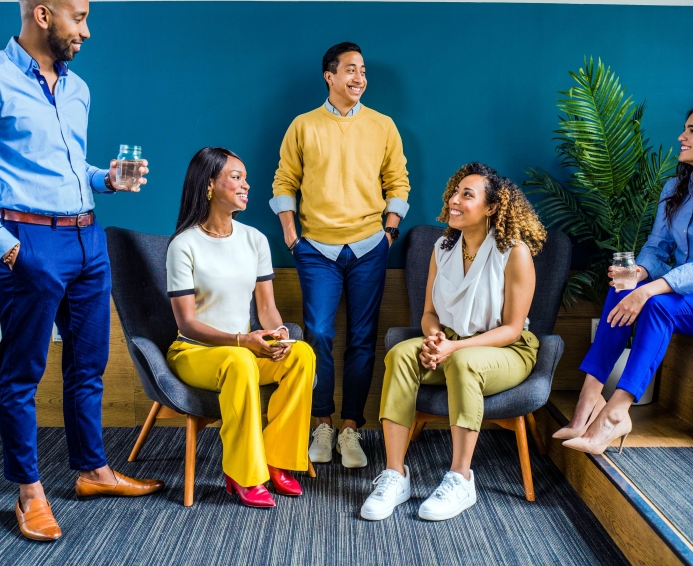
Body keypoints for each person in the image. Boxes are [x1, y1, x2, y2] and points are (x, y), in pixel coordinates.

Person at [0, 0, 162, 542]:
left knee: (88, 365)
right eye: (78, 18)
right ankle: (29, 492)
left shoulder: (77, 88)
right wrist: (8, 248)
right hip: (28, 242)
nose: (86, 31)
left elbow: (68, 167)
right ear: (43, 14)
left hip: (88, 238)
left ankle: (92, 471)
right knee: (22, 374)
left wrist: (106, 179)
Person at [554, 103, 693, 454]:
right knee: (622, 287)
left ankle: (616, 413)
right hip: (688, 289)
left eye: (692, 130)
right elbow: (657, 248)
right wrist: (636, 274)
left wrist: (646, 291)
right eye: (685, 128)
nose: (681, 136)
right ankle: (587, 402)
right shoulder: (675, 188)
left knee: (657, 306)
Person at [361, 163, 546, 522]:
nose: (454, 200)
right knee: (400, 354)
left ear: (492, 207)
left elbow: (511, 328)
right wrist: (434, 338)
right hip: (450, 343)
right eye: (454, 192)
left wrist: (453, 349)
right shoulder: (442, 248)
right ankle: (395, 475)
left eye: (467, 195)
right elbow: (429, 313)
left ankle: (461, 479)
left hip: (506, 350)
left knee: (463, 362)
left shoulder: (515, 252)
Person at [270, 42, 410, 469]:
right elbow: (284, 180)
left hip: (370, 247)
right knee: (317, 334)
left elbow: (398, 180)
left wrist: (389, 232)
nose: (359, 78)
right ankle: (322, 424)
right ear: (329, 76)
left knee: (363, 339)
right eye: (350, 69)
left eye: (363, 70)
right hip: (315, 249)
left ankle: (350, 428)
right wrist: (292, 236)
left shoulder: (383, 125)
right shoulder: (303, 125)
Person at [166, 147, 316, 508]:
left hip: (243, 350)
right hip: (195, 352)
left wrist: (279, 334)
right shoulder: (183, 245)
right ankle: (243, 472)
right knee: (240, 361)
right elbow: (186, 322)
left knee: (301, 354)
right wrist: (241, 341)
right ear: (209, 185)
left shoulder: (254, 239)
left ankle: (277, 459)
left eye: (245, 178)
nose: (246, 185)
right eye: (236, 177)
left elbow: (266, 308)